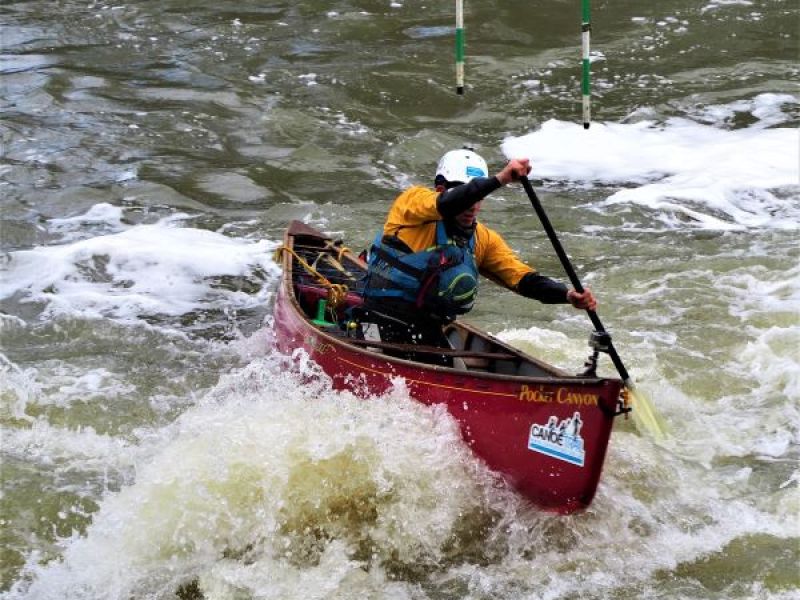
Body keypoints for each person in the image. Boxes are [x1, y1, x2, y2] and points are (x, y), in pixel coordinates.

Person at [361, 147, 596, 350]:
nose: (472, 207)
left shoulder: (483, 238)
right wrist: (500, 179)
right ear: (440, 189)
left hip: (425, 329)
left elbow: (522, 279)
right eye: (467, 196)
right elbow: (448, 203)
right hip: (377, 319)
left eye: (479, 198)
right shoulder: (412, 204)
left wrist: (567, 295)